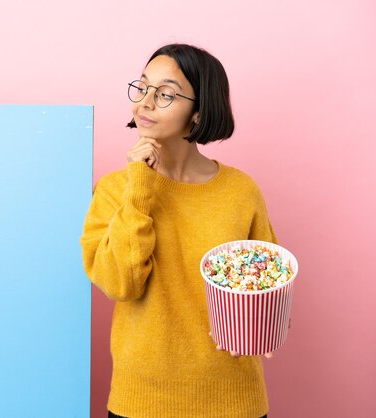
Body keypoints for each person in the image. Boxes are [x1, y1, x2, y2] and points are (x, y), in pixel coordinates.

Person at [79, 44, 278, 418]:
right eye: (142, 88)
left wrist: (266, 320)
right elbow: (119, 283)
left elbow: (266, 278)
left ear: (199, 111)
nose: (145, 102)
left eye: (166, 93)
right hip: (141, 400)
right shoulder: (114, 189)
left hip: (234, 398)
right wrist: (139, 187)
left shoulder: (240, 191)